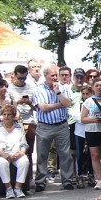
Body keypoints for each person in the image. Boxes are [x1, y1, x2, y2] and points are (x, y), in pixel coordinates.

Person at [32, 65, 75, 193]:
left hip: (61, 125)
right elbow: (43, 107)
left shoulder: (63, 88)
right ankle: (40, 181)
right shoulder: (39, 90)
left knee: (65, 154)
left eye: (56, 75)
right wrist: (59, 104)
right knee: (42, 154)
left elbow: (68, 103)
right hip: (45, 126)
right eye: (52, 75)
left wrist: (58, 93)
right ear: (45, 76)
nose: (55, 78)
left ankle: (67, 181)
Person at [0, 105, 29, 199]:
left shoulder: (19, 127)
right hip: (1, 153)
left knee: (24, 161)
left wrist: (21, 153)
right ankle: (9, 189)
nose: (6, 116)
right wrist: (3, 154)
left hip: (16, 153)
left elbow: (24, 143)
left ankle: (18, 188)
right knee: (2, 162)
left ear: (13, 116)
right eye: (4, 114)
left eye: (9, 114)